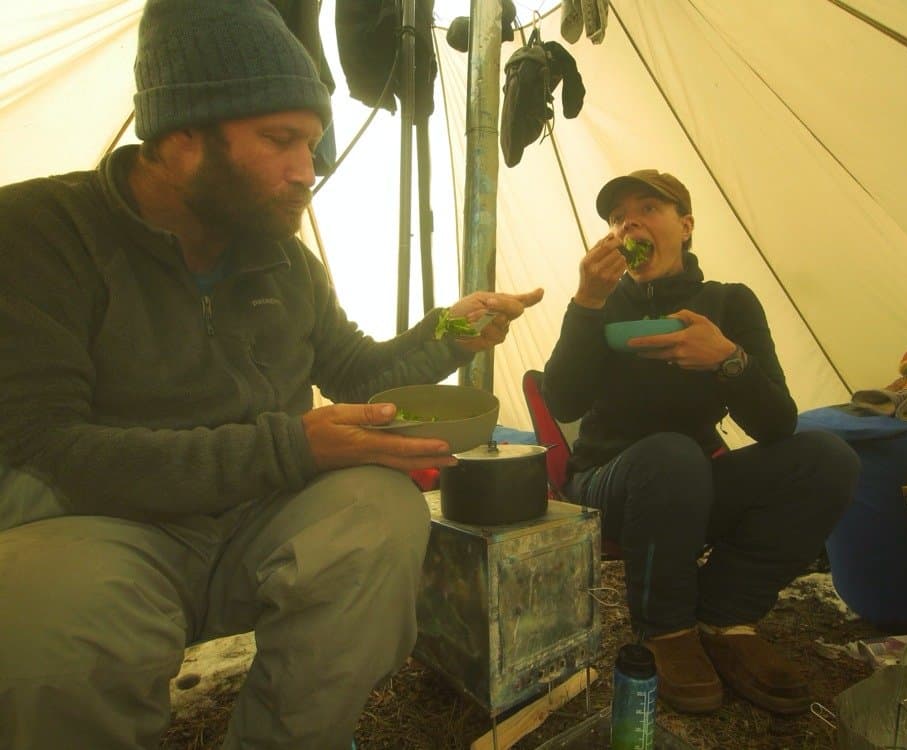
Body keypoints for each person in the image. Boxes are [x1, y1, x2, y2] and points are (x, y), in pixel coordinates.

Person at [0, 2, 542, 748]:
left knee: (380, 514)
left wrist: (453, 328)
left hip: (253, 521)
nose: (307, 172)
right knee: (47, 620)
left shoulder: (281, 260)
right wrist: (293, 447)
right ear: (181, 136)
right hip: (102, 529)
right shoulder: (39, 232)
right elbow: (46, 448)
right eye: (280, 141)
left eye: (313, 143)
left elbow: (358, 372)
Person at [542, 169, 859, 715]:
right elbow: (562, 403)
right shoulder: (603, 307)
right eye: (618, 217)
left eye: (648, 209)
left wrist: (727, 361)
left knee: (827, 458)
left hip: (693, 486)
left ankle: (725, 617)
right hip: (609, 487)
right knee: (672, 455)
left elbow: (778, 424)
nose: (628, 223)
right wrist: (587, 302)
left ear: (685, 226)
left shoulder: (729, 303)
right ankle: (665, 631)